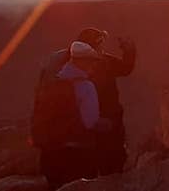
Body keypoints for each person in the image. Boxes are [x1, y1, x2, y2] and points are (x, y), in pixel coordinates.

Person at [37, 27, 136, 175]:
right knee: (111, 161)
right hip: (104, 121)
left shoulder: (66, 68)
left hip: (81, 130)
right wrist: (129, 51)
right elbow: (125, 69)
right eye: (100, 42)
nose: (102, 46)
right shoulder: (102, 64)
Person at [36, 41, 110, 190]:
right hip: (78, 155)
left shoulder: (54, 82)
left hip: (52, 153)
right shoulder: (86, 87)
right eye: (92, 62)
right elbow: (91, 123)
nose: (94, 66)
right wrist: (109, 125)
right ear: (82, 62)